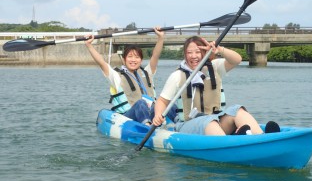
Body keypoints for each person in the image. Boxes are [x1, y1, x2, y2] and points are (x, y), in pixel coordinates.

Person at [152, 36, 280, 135]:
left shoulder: (215, 67)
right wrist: (158, 114)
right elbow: (162, 101)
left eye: (197, 52)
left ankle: (261, 138)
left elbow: (237, 59)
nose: (194, 56)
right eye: (189, 53)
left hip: (215, 119)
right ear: (185, 55)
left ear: (204, 52)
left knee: (238, 110)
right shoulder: (177, 75)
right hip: (187, 125)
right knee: (209, 122)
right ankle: (234, 144)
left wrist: (220, 50)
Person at [84, 27, 176, 125]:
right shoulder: (116, 76)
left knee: (170, 104)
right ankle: (147, 127)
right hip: (128, 117)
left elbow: (155, 56)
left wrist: (160, 38)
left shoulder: (146, 72)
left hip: (150, 113)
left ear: (141, 60)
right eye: (130, 57)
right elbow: (102, 63)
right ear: (124, 59)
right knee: (141, 104)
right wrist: (89, 45)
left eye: (137, 57)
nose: (133, 60)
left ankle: (179, 126)